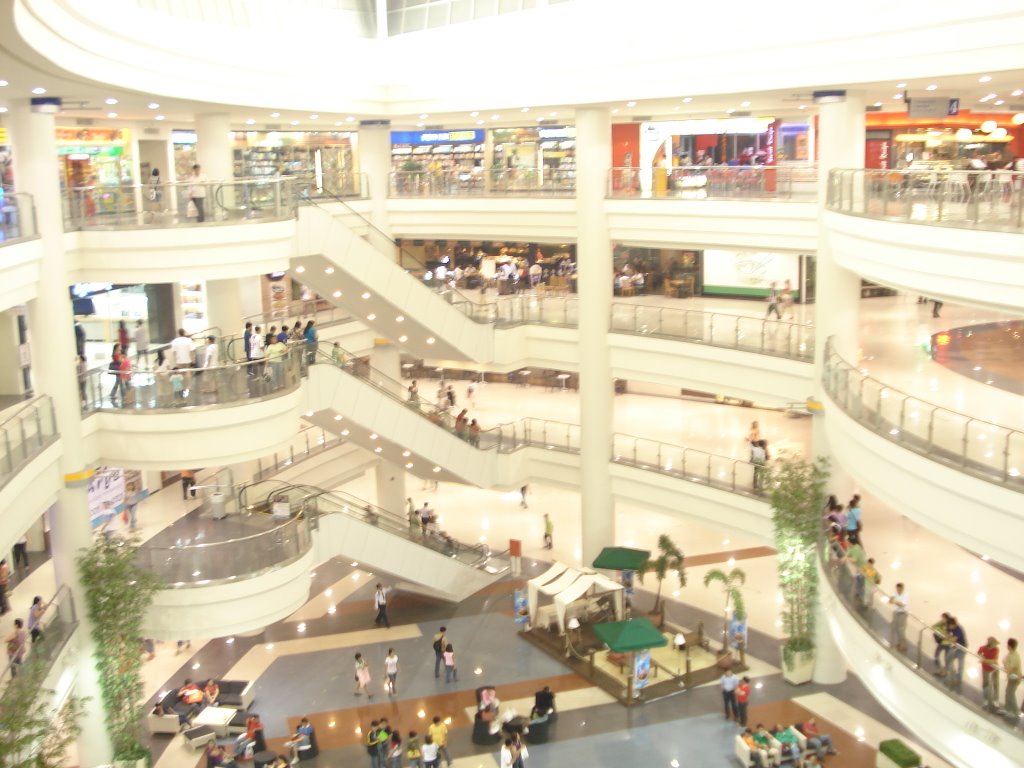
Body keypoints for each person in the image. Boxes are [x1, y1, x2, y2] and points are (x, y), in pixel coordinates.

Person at [979, 636, 1001, 710]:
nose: (996, 645)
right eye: (995, 644)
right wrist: (982, 657)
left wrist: (985, 660)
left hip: (994, 669)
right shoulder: (983, 648)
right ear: (990, 645)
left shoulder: (996, 649)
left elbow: (994, 660)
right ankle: (985, 699)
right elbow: (978, 653)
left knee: (996, 684)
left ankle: (996, 700)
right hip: (985, 668)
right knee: (985, 683)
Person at [946, 615, 967, 686]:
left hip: (962, 648)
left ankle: (959, 680)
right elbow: (947, 635)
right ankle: (952, 674)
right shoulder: (950, 627)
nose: (949, 627)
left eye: (950, 626)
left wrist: (950, 639)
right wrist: (949, 638)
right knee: (948, 659)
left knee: (960, 665)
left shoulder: (959, 630)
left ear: (953, 625)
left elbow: (952, 640)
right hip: (955, 647)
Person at [1003, 637, 1021, 717]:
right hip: (1012, 677)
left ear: (1009, 646)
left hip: (1015, 678)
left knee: (1010, 693)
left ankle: (1014, 712)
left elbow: (1009, 669)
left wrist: (1004, 663)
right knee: (1008, 692)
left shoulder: (1014, 656)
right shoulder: (1011, 653)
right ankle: (1008, 709)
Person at [889, 582, 909, 652]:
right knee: (894, 628)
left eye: (899, 589)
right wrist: (892, 600)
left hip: (902, 614)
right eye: (897, 589)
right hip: (896, 613)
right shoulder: (895, 593)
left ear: (902, 588)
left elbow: (902, 605)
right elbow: (890, 601)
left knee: (901, 630)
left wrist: (894, 601)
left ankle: (903, 645)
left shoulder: (906, 595)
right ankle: (896, 643)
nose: (898, 590)